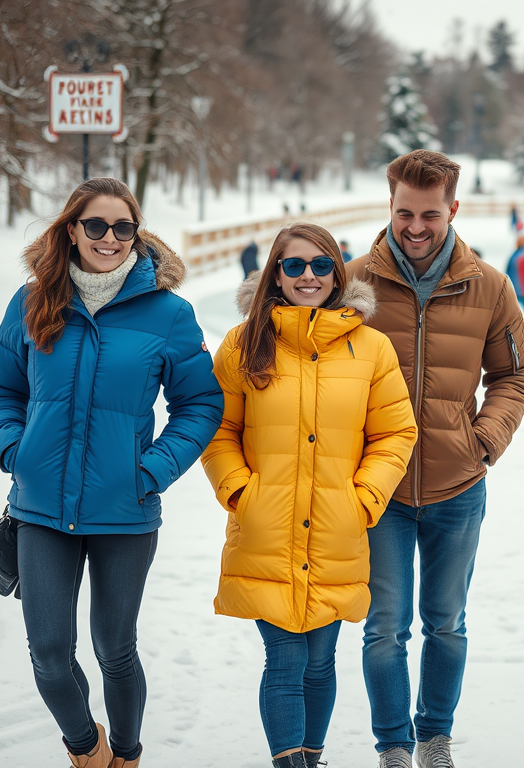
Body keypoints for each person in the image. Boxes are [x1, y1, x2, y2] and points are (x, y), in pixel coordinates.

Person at [0, 177, 224, 768]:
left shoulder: (168, 313)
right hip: (40, 508)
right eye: (95, 226)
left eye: (122, 227)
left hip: (125, 510)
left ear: (136, 234)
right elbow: (0, 388)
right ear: (72, 230)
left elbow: (201, 404)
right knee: (48, 654)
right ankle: (86, 749)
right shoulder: (32, 301)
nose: (109, 238)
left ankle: (129, 755)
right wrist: (16, 450)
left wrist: (153, 469)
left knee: (116, 650)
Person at [345, 149, 524, 768]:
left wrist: (484, 439)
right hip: (381, 490)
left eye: (431, 213)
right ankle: (394, 747)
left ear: (453, 209)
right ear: (391, 207)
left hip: (457, 486)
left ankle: (435, 739)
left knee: (446, 622)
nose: (417, 227)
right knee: (383, 628)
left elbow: (517, 372)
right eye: (405, 213)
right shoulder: (353, 286)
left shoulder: (488, 285)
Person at [201, 223, 418, 767]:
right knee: (284, 658)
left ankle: (310, 758)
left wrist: (363, 498)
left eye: (321, 266)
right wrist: (240, 492)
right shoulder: (243, 342)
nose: (308, 276)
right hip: (267, 528)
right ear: (275, 272)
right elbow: (217, 430)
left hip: (335, 529)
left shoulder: (371, 348)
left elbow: (396, 433)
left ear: (338, 274)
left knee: (320, 662)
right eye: (294, 265)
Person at [506, 234, 524, 331]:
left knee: (514, 311)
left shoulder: (515, 255)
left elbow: (507, 271)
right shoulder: (523, 256)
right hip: (520, 289)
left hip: (515, 288)